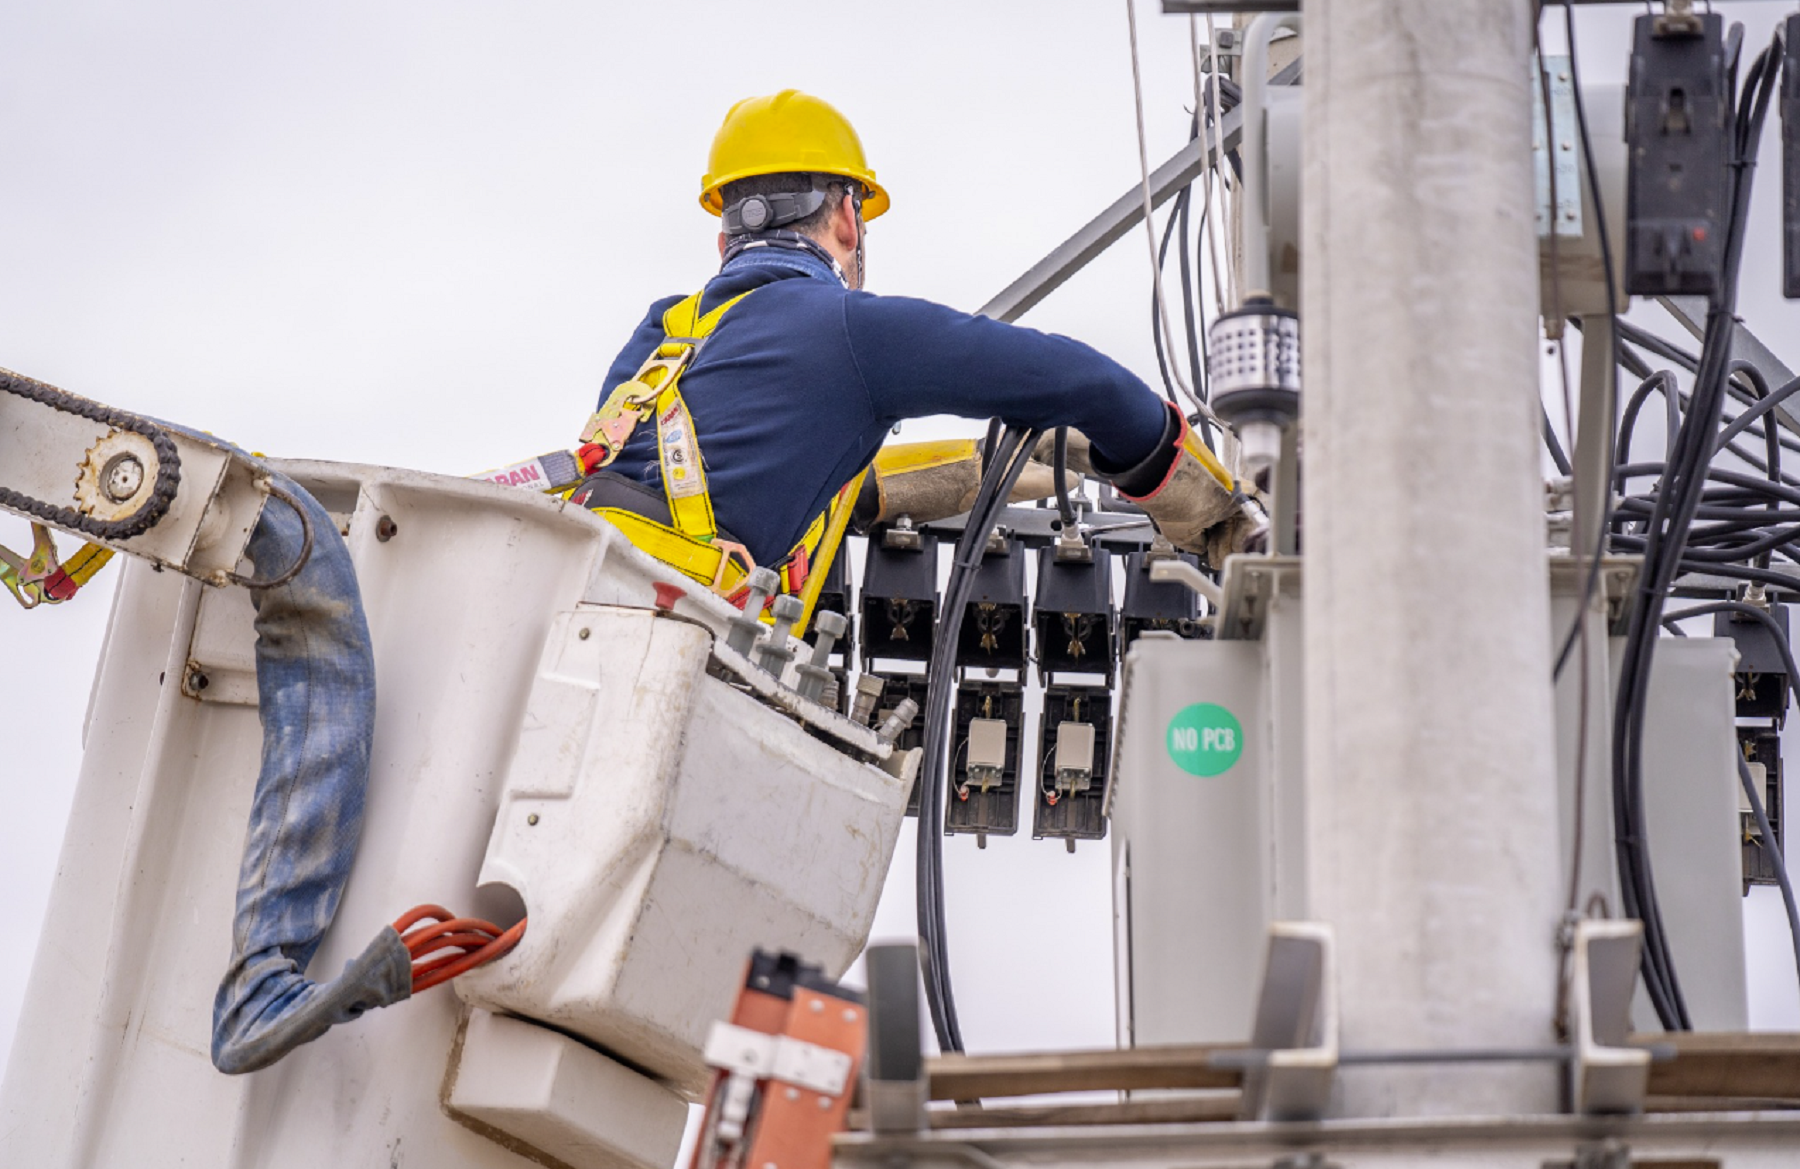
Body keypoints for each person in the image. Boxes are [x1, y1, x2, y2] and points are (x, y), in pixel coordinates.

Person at [569, 89, 1250, 604]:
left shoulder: (661, 337)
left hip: (572, 641)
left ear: (723, 242)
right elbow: (1088, 385)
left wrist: (899, 484)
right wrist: (1199, 504)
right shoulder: (850, 331)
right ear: (846, 216)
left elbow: (715, 479)